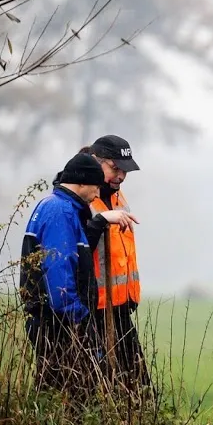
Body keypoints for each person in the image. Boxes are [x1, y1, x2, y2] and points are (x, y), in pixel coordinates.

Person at [20, 152, 110, 398]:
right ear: (81, 182)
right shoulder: (61, 212)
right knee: (73, 400)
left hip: (54, 323)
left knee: (54, 396)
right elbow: (59, 277)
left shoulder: (55, 207)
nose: (98, 193)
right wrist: (80, 320)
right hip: (60, 326)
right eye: (96, 186)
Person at [83, 135, 146, 389]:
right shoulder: (84, 200)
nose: (120, 176)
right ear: (97, 162)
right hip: (95, 310)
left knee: (138, 385)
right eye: (115, 168)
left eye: (125, 171)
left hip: (121, 307)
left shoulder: (119, 197)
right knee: (101, 385)